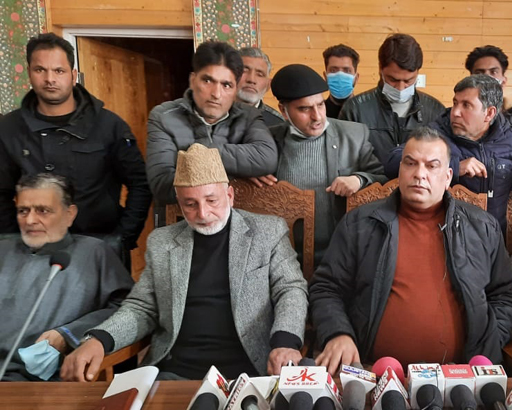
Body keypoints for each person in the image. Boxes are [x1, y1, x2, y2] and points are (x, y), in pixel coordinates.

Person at [61, 143, 308, 381]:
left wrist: (286, 342)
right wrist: (100, 339)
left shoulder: (268, 231)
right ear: (180, 203)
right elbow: (142, 307)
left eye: (212, 201)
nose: (202, 213)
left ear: (230, 195)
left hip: (248, 370)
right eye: (190, 204)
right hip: (176, 373)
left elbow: (291, 289)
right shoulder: (162, 242)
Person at [309, 126, 512, 372]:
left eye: (432, 166)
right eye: (410, 164)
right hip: (373, 372)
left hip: (462, 377)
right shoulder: (360, 224)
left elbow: (504, 295)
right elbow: (326, 288)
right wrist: (338, 333)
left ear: (448, 176)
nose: (419, 174)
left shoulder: (482, 226)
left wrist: (490, 341)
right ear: (400, 170)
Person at [0, 33, 151, 255]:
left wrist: (121, 239)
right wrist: (15, 242)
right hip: (35, 251)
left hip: (100, 247)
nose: (50, 79)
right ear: (30, 74)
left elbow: (141, 184)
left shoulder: (110, 125)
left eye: (58, 71)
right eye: (40, 70)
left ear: (73, 75)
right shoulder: (10, 128)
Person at [251, 64, 386, 265]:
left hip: (341, 256)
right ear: (284, 111)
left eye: (320, 105)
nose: (317, 116)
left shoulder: (354, 135)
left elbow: (383, 180)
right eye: (304, 109)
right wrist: (249, 173)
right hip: (283, 258)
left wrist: (359, 180)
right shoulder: (268, 141)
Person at [1, 174, 132, 381]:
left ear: (70, 214)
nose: (30, 220)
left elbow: (127, 309)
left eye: (43, 210)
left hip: (36, 379)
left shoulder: (94, 252)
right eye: (23, 211)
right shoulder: (4, 249)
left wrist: (68, 333)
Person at [385, 74, 512, 230]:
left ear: (489, 113)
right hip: (444, 235)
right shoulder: (435, 135)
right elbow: (393, 162)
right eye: (455, 103)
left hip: (493, 238)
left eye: (466, 105)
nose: (455, 112)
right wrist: (454, 166)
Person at [147, 41, 277, 205]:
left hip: (236, 220)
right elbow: (163, 185)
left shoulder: (248, 115)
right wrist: (240, 171)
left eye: (226, 85)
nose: (216, 94)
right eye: (208, 81)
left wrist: (194, 154)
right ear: (193, 80)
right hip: (179, 221)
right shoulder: (164, 116)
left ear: (235, 88)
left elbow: (266, 159)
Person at [339, 33, 445, 163]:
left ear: (418, 72)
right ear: (380, 69)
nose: (400, 87)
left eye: (408, 80)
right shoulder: (355, 109)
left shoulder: (435, 110)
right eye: (393, 79)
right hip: (370, 182)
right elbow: (346, 163)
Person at [464, 45, 512, 146]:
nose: (487, 78)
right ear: (470, 80)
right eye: (480, 73)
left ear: (504, 81)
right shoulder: (456, 122)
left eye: (493, 72)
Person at [236, 47, 284, 127]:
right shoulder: (213, 114)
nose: (251, 80)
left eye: (260, 74)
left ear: (268, 85)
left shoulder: (278, 124)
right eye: (244, 71)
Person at [323, 44, 360, 119]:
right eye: (333, 70)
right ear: (325, 77)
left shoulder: (365, 112)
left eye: (347, 71)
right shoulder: (319, 114)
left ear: (356, 78)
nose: (340, 75)